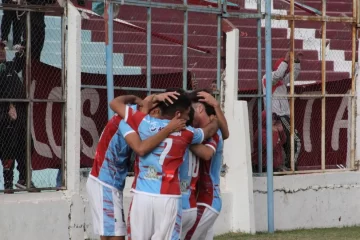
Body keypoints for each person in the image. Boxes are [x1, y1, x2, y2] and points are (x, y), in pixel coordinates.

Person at [110, 91, 219, 240]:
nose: (189, 118)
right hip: (169, 198)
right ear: (178, 114)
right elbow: (208, 132)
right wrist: (215, 119)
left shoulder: (143, 121)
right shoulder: (186, 132)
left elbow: (115, 104)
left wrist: (140, 98)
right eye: (187, 114)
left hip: (142, 195)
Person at [86, 92, 185, 240]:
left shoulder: (133, 113)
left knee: (111, 234)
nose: (156, 125)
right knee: (116, 235)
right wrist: (168, 129)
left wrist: (151, 98)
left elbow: (141, 104)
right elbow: (140, 148)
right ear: (155, 111)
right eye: (158, 119)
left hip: (110, 182)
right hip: (104, 182)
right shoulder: (126, 120)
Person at [183, 90, 227, 240]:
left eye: (189, 109)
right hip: (200, 199)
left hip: (207, 200)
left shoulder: (214, 131)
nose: (186, 114)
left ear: (200, 108)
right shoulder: (200, 131)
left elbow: (207, 153)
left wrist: (180, 139)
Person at [0, 50, 36, 193]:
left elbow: (18, 64)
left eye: (2, 48)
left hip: (19, 115)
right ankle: (8, 184)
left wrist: (21, 53)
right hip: (4, 115)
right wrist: (8, 106)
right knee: (8, 147)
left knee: (27, 144)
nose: (1, 51)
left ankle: (24, 178)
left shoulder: (8, 66)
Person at [262, 51, 303, 169]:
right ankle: (291, 166)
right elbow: (278, 75)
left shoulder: (281, 82)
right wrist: (286, 60)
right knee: (296, 140)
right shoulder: (267, 78)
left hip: (283, 116)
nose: (286, 72)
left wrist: (296, 62)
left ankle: (287, 165)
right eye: (285, 68)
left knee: (285, 143)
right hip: (278, 116)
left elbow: (293, 75)